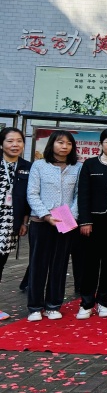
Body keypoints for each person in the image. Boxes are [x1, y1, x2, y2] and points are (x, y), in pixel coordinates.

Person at [26, 130, 81, 322]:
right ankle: (35, 306)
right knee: (38, 264)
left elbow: (79, 195)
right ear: (52, 144)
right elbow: (32, 193)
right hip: (41, 222)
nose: (64, 146)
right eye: (60, 142)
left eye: (68, 143)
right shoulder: (39, 165)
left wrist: (71, 216)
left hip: (66, 222)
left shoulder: (77, 167)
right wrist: (46, 215)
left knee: (59, 264)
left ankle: (53, 305)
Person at [76, 128, 107, 320]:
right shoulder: (90, 164)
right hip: (94, 220)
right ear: (101, 144)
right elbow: (83, 194)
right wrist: (85, 221)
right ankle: (86, 302)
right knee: (90, 261)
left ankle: (104, 300)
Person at [0, 127, 31, 320]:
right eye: (10, 141)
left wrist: (24, 222)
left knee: (1, 262)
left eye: (19, 141)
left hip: (10, 222)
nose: (15, 145)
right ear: (1, 144)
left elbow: (28, 199)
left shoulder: (27, 166)